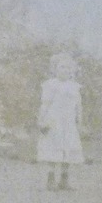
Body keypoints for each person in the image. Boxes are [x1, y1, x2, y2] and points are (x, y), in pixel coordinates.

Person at [38, 52, 84, 190]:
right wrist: (42, 120)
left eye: (69, 68)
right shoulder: (51, 85)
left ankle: (64, 179)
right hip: (54, 121)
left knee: (68, 148)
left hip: (69, 122)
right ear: (55, 69)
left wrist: (79, 121)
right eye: (62, 67)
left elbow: (78, 105)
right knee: (54, 148)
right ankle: (51, 178)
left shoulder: (75, 86)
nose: (66, 70)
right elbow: (45, 104)